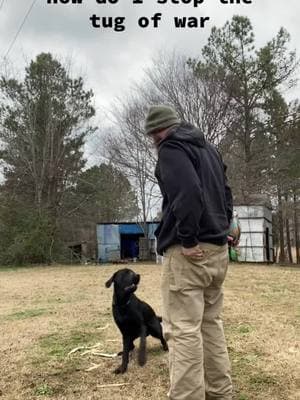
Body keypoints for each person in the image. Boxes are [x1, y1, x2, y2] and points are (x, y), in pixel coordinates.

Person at [144, 105, 233, 400]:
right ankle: (220, 393)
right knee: (210, 325)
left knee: (182, 331)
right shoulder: (209, 148)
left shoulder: (171, 148)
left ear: (156, 133)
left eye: (151, 137)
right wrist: (224, 228)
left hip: (189, 255)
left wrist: (189, 239)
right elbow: (226, 191)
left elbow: (188, 193)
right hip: (218, 251)